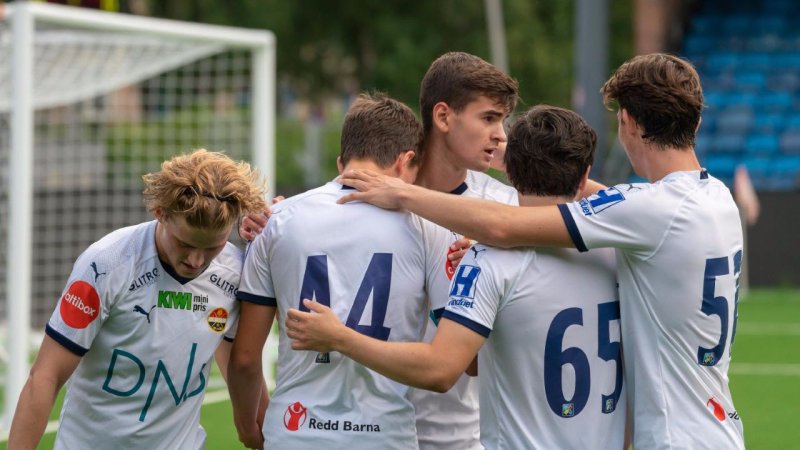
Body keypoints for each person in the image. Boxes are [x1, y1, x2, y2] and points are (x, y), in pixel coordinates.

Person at [334, 53, 745, 449]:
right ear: (696, 120)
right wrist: (528, 160)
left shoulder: (644, 211)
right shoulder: (714, 197)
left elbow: (504, 226)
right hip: (717, 427)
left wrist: (401, 193)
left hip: (675, 437)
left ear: (629, 123)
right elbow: (603, 199)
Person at [286, 105, 627, 449]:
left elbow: (442, 370)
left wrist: (339, 337)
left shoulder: (489, 262)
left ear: (513, 176)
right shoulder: (619, 254)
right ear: (583, 177)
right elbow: (480, 365)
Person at [238, 51, 520, 450]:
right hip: (385, 429)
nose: (501, 134)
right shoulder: (373, 191)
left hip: (450, 435)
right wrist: (260, 223)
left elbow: (471, 361)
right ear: (442, 118)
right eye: (490, 118)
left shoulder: (505, 209)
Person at [227, 93, 454, 450]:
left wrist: (248, 425)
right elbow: (454, 364)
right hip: (384, 436)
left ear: (340, 162)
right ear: (405, 160)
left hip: (295, 431)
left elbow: (243, 359)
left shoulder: (277, 221)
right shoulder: (431, 228)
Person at [7, 149, 269, 449]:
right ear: (160, 212)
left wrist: (261, 429)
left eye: (213, 247)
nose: (197, 261)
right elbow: (45, 377)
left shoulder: (235, 273)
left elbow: (237, 363)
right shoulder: (106, 264)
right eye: (184, 244)